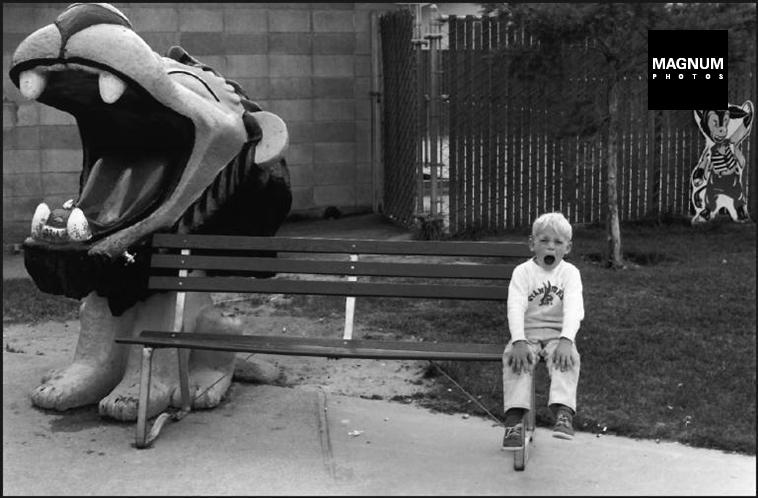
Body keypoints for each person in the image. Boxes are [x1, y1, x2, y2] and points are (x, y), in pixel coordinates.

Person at [501, 212, 584, 447]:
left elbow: (574, 309)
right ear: (532, 244)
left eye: (558, 243)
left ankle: (563, 411)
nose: (551, 247)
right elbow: (515, 307)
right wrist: (518, 341)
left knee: (568, 359)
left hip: (558, 334)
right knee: (515, 359)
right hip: (527, 334)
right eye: (544, 241)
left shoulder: (570, 273)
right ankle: (514, 421)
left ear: (567, 248)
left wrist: (567, 340)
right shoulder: (523, 273)